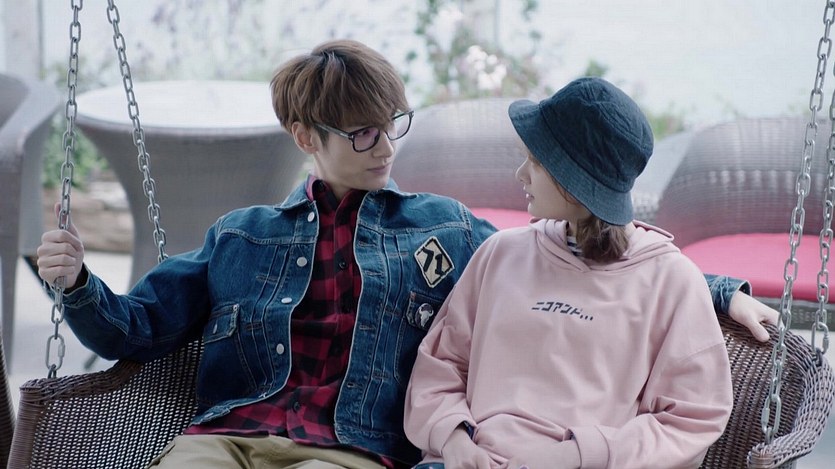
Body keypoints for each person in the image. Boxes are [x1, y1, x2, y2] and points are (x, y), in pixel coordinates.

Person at [36, 41, 773, 468]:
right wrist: (76, 286)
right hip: (225, 438)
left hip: (345, 450)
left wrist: (714, 290)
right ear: (306, 137)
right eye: (362, 133)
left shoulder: (441, 231)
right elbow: (136, 329)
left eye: (391, 124)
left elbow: (587, 251)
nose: (385, 146)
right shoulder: (242, 237)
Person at [403, 78, 734, 469]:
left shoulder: (672, 281)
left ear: (573, 182)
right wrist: (454, 441)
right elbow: (439, 368)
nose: (521, 174)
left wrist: (576, 455)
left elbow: (692, 418)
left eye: (536, 162)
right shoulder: (499, 253)